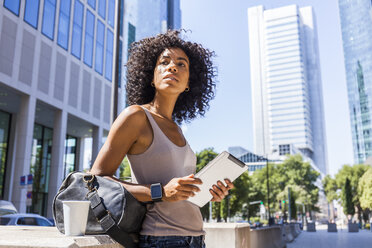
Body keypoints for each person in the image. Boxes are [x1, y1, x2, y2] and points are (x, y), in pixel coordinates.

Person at [90, 30, 234, 248]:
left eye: (181, 64)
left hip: (196, 239)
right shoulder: (136, 116)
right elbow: (96, 180)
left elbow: (179, 193)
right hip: (162, 239)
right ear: (152, 76)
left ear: (188, 83)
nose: (172, 67)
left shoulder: (178, 130)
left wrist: (208, 194)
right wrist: (161, 192)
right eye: (164, 62)